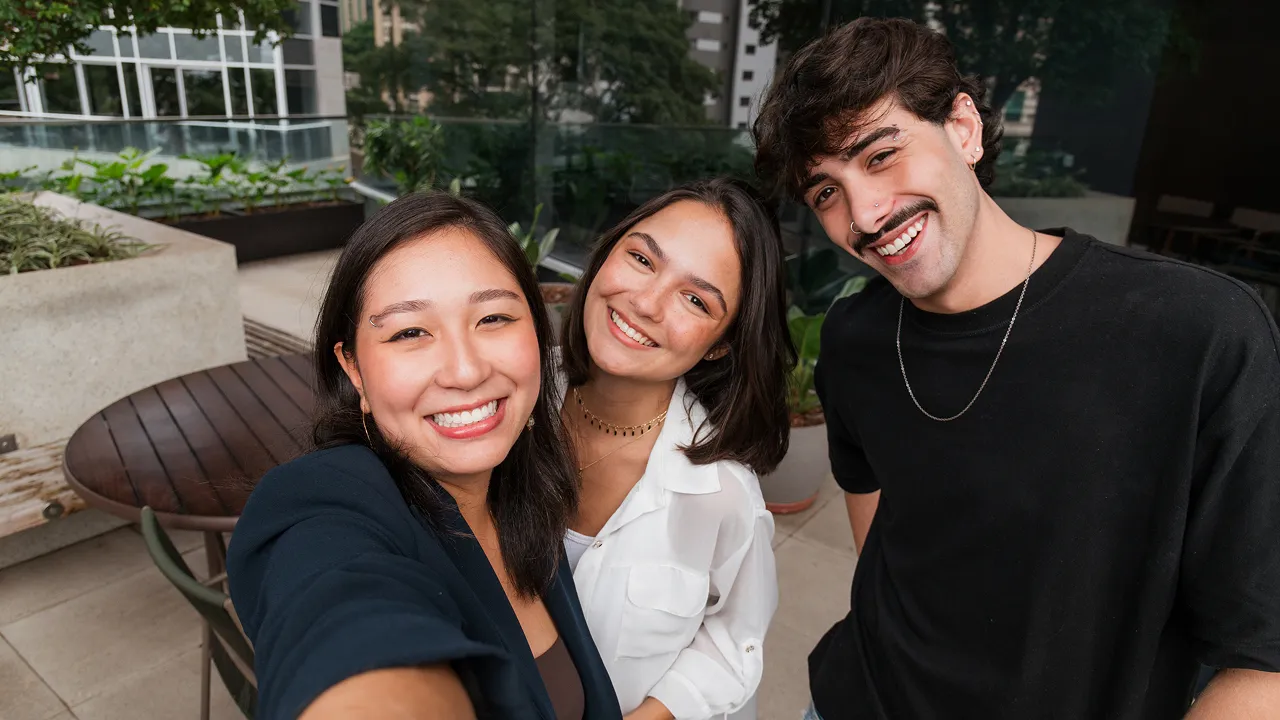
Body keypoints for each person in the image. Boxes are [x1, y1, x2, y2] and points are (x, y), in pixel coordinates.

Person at [752, 17, 1280, 720]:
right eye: (826, 192)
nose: (866, 215)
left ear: (963, 128)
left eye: (880, 155)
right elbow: (880, 532)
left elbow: (1263, 662)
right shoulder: (854, 337)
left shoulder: (1199, 331)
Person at [227, 192, 624, 720]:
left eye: (494, 318)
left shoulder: (523, 488)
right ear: (353, 369)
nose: (466, 371)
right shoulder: (325, 502)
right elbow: (344, 618)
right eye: (410, 332)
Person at [557, 178, 794, 720]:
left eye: (695, 299)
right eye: (642, 259)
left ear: (720, 345)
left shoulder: (721, 494)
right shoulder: (506, 397)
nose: (645, 303)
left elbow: (734, 640)